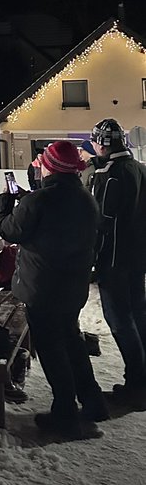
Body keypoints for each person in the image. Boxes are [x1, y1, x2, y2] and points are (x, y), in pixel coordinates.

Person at [0, 139, 107, 438]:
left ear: (50, 167)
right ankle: (93, 400)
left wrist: (4, 206)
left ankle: (65, 413)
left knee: (52, 349)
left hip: (43, 289)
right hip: (73, 286)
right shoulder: (85, 198)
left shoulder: (38, 201)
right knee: (71, 341)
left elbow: (9, 230)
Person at [89, 117, 146, 400]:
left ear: (102, 145)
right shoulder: (139, 169)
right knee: (138, 314)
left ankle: (136, 382)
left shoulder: (109, 175)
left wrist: (94, 259)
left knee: (119, 319)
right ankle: (142, 378)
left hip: (114, 261)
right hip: (138, 258)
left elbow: (103, 222)